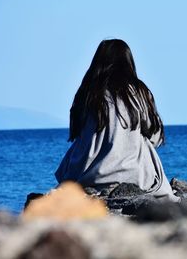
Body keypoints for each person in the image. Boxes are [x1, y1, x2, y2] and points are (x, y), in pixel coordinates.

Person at [55, 39, 179, 202]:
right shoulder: (138, 91)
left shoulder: (87, 93)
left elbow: (78, 132)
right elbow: (155, 137)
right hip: (134, 174)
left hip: (87, 175)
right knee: (143, 140)